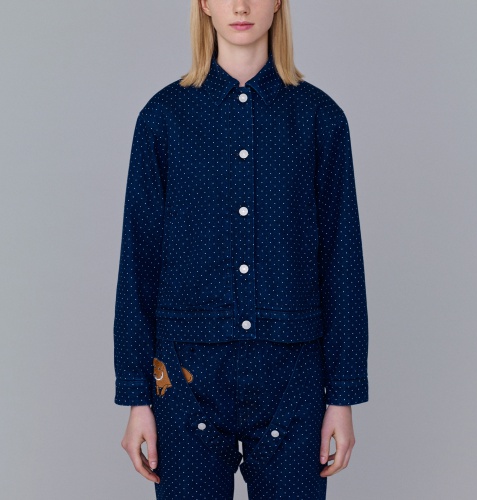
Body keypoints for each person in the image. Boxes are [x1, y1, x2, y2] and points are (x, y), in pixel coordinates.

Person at [113, 1, 369, 498]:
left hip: (292, 376)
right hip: (184, 379)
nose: (241, 6)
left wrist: (342, 397)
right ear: (204, 5)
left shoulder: (319, 118)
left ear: (279, 3)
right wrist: (136, 397)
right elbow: (138, 262)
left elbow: (342, 263)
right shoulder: (164, 118)